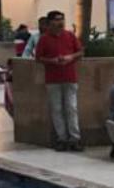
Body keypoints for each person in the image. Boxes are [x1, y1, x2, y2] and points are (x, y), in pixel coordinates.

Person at [35, 10, 84, 152]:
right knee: (57, 109)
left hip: (70, 77)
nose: (60, 22)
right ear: (50, 23)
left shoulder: (69, 35)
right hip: (53, 79)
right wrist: (52, 61)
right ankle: (62, 138)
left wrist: (70, 57)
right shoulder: (44, 39)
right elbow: (38, 58)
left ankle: (75, 138)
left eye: (62, 19)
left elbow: (80, 52)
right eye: (56, 20)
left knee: (71, 108)